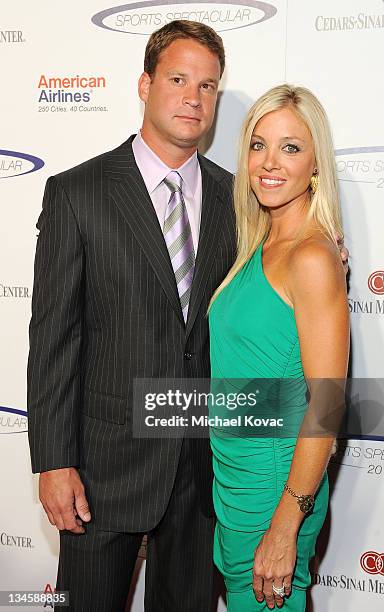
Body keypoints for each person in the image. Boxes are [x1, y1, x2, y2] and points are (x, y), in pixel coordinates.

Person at [27, 20, 236, 612]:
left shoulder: (236, 199)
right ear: (144, 85)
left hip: (201, 476)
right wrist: (54, 461)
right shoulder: (79, 192)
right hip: (101, 472)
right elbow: (53, 339)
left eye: (208, 85)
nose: (194, 98)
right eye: (178, 79)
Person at [208, 84, 350, 611]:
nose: (269, 163)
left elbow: (328, 402)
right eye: (258, 144)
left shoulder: (311, 256)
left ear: (316, 163)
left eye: (290, 147)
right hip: (238, 483)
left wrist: (286, 525)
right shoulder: (263, 242)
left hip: (276, 490)